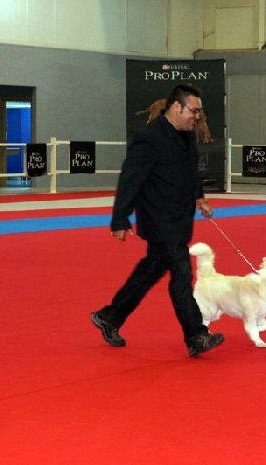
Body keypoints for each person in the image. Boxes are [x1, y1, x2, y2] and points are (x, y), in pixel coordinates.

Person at [90, 83, 224, 357]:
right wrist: (120, 217)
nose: (197, 116)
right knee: (181, 273)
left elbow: (191, 172)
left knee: (151, 270)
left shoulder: (187, 135)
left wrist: (200, 199)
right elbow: (131, 178)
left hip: (180, 218)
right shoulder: (149, 137)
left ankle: (110, 316)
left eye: (199, 111)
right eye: (194, 111)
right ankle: (196, 335)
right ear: (177, 107)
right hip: (158, 219)